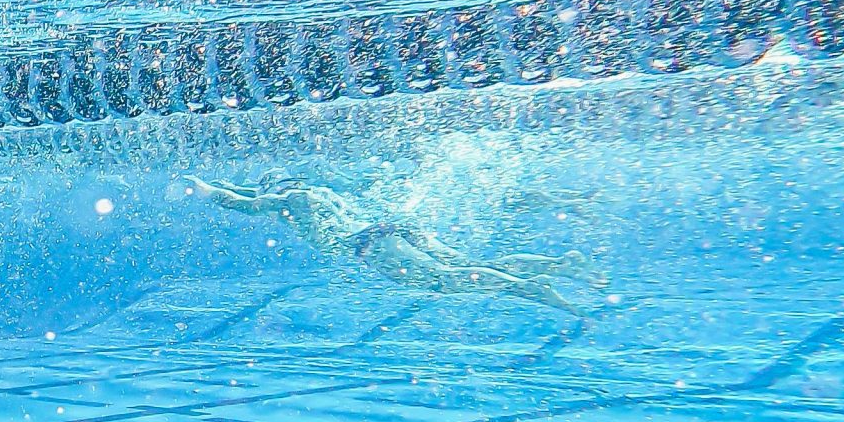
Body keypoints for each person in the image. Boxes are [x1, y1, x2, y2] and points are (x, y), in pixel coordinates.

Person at [189, 171, 597, 316]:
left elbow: (248, 203)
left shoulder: (289, 202)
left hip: (372, 245)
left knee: (445, 281)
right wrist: (224, 185)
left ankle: (527, 287)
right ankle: (558, 265)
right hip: (392, 228)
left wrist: (207, 193)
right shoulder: (315, 193)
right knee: (466, 263)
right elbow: (246, 190)